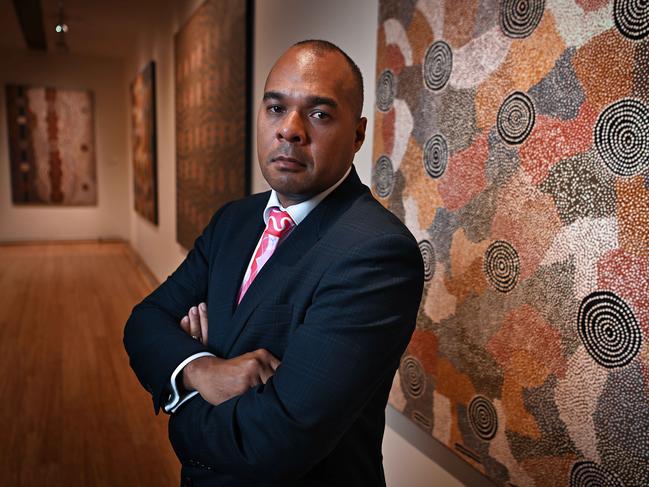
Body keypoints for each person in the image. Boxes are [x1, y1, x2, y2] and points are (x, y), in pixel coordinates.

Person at [124, 39, 424, 487]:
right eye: (276, 108)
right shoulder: (234, 220)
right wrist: (202, 370)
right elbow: (145, 321)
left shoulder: (376, 253)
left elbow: (275, 440)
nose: (290, 129)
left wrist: (179, 411)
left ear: (358, 135)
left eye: (319, 114)